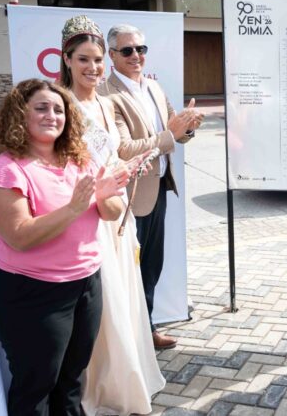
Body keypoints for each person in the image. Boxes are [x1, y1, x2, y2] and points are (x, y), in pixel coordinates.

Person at [0, 78, 129, 415]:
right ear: (19, 115)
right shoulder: (3, 172)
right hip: (33, 295)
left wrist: (104, 195)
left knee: (72, 379)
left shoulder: (80, 160)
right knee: (37, 386)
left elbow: (111, 211)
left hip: (86, 284)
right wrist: (73, 207)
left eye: (59, 109)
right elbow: (20, 235)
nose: (52, 115)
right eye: (41, 108)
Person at [59, 15, 166, 415]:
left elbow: (116, 154)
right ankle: (97, 387)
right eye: (84, 59)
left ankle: (125, 378)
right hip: (85, 219)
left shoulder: (104, 102)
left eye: (99, 60)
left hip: (117, 214)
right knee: (100, 307)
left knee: (123, 294)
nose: (92, 68)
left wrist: (131, 168)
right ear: (66, 59)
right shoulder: (60, 104)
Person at [98, 24, 203, 349]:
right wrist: (172, 133)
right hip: (126, 197)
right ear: (112, 55)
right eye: (128, 50)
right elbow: (124, 150)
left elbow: (175, 130)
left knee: (152, 264)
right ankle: (127, 339)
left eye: (141, 49)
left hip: (157, 189)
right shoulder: (105, 94)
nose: (136, 56)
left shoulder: (154, 88)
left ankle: (148, 327)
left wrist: (189, 126)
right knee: (127, 270)